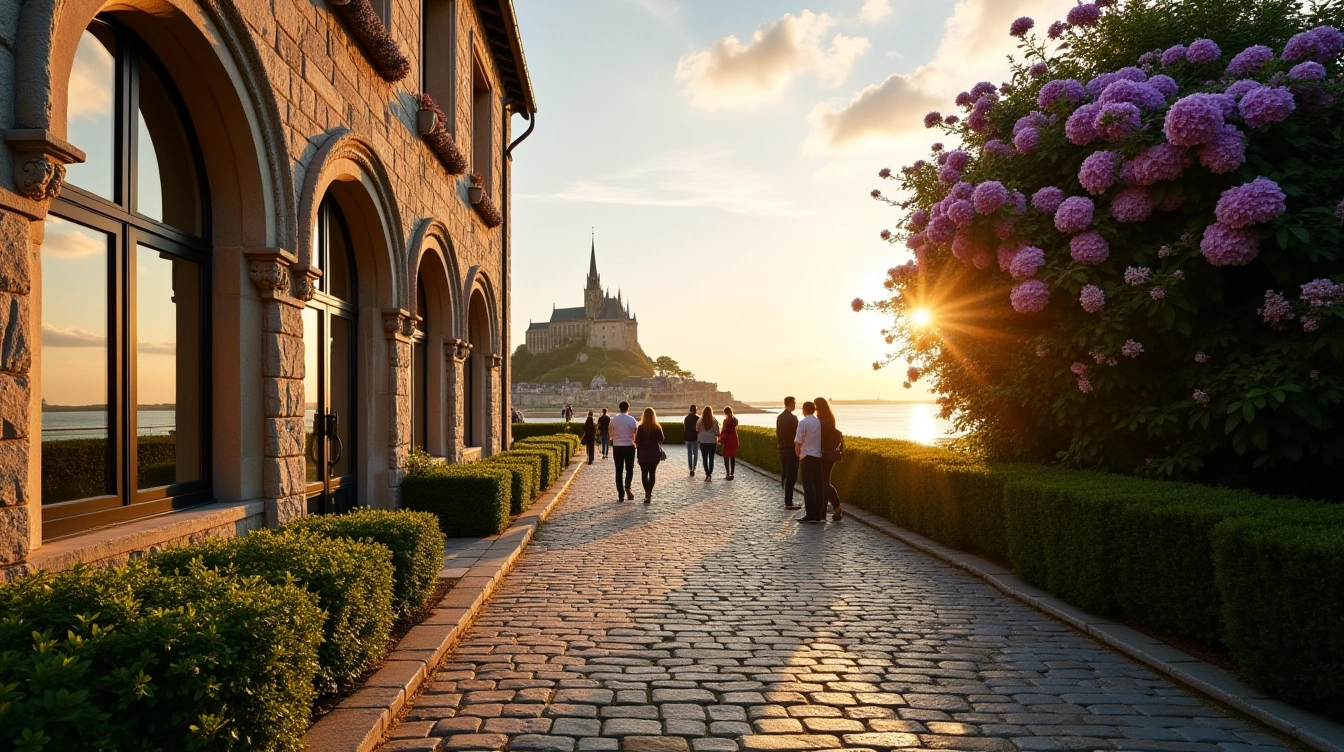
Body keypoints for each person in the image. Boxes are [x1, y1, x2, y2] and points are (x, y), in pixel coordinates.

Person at [815, 397, 845, 521]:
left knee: (823, 483)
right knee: (825, 482)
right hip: (830, 455)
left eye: (816, 405)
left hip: (824, 455)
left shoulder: (821, 422)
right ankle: (830, 509)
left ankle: (835, 508)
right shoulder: (830, 419)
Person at [794, 401, 823, 522]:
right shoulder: (819, 422)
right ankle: (818, 514)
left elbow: (798, 441)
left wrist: (798, 454)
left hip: (806, 456)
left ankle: (810, 514)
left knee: (808, 487)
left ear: (804, 410)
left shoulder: (803, 422)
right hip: (818, 456)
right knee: (818, 486)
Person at [634, 407, 665, 503]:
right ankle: (649, 493)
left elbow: (636, 441)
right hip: (654, 454)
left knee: (644, 475)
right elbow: (662, 439)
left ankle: (647, 493)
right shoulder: (657, 427)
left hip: (643, 454)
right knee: (652, 474)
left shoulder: (641, 427)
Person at [609, 401, 638, 501]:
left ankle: (620, 494)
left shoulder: (613, 419)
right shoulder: (632, 420)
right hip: (629, 446)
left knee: (618, 470)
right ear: (628, 408)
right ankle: (627, 486)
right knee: (629, 469)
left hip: (617, 446)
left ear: (619, 408)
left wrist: (615, 438)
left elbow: (610, 433)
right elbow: (636, 433)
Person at [776, 397, 801, 510]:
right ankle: (789, 501)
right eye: (794, 402)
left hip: (782, 449)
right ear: (790, 403)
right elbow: (797, 435)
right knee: (792, 476)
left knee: (785, 474)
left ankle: (788, 499)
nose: (795, 404)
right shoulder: (793, 418)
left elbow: (778, 433)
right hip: (791, 449)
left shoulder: (780, 417)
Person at [696, 406, 720, 482]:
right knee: (711, 459)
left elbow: (697, 429)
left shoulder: (700, 421)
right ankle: (710, 474)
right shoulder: (714, 421)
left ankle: (707, 474)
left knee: (705, 459)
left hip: (703, 442)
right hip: (712, 442)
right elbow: (717, 433)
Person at [721, 406, 739, 480]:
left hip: (728, 439)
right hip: (734, 438)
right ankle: (732, 473)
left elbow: (723, 430)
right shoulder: (735, 420)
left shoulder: (726, 421)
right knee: (732, 456)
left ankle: (727, 473)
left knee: (726, 456)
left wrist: (721, 439)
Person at [682, 405, 699, 477]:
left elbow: (685, 429)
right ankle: (694, 467)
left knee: (689, 453)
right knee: (695, 453)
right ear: (694, 409)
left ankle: (690, 468)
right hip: (695, 438)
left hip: (688, 438)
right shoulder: (697, 418)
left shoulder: (686, 418)